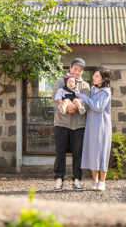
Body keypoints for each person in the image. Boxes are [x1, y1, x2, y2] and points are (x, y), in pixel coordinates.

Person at [51, 58, 91, 192]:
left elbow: (85, 103)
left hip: (79, 124)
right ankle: (59, 179)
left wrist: (71, 107)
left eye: (80, 70)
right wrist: (65, 107)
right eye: (75, 69)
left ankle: (77, 179)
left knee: (77, 153)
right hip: (62, 122)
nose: (77, 72)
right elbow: (54, 99)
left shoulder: (85, 85)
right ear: (70, 67)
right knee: (60, 151)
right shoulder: (60, 81)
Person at [78, 66, 112, 191]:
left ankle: (102, 181)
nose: (94, 77)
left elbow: (98, 107)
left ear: (104, 79)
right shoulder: (92, 89)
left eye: (97, 76)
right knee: (93, 151)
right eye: (94, 75)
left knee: (102, 152)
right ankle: (95, 181)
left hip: (102, 125)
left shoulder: (106, 92)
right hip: (91, 124)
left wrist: (85, 98)